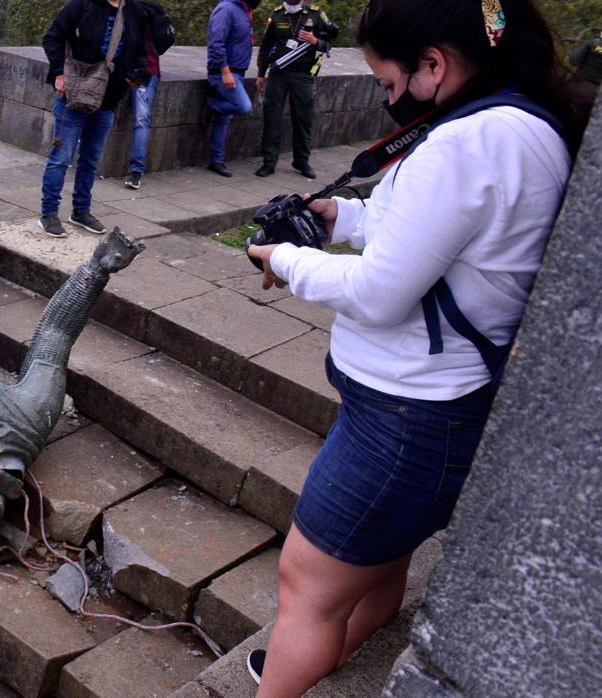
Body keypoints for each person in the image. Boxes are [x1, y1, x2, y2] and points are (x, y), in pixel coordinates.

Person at [244, 0, 591, 694]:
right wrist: (339, 216)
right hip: (436, 405)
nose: (385, 95)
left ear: (434, 64)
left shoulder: (466, 145)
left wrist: (283, 258)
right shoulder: (517, 119)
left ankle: (292, 670)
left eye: (388, 81)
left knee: (306, 583)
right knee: (379, 553)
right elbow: (433, 235)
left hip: (406, 421)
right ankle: (338, 649)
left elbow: (380, 292)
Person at [40, 0, 146, 238]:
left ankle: (81, 211)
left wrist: (136, 73)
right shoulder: (82, 5)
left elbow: (141, 50)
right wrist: (58, 73)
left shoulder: (134, 11)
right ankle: (48, 213)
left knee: (91, 159)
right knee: (61, 157)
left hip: (109, 98)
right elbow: (52, 37)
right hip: (75, 92)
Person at [254, 2, 332, 179]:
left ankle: (301, 161)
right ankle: (269, 162)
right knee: (271, 118)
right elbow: (266, 45)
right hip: (278, 74)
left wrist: (315, 41)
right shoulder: (277, 14)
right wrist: (261, 73)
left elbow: (328, 43)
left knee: (303, 119)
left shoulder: (316, 14)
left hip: (303, 75)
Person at [124, 0, 175, 190]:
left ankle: (136, 170)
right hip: (149, 71)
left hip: (141, 72)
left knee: (140, 120)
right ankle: (135, 171)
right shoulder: (153, 8)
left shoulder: (132, 9)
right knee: (141, 120)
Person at [204, 0, 258, 177]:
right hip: (225, 72)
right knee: (244, 107)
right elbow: (216, 42)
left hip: (238, 71)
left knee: (223, 119)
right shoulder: (226, 9)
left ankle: (216, 161)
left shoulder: (244, 10)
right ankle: (211, 105)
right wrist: (225, 71)